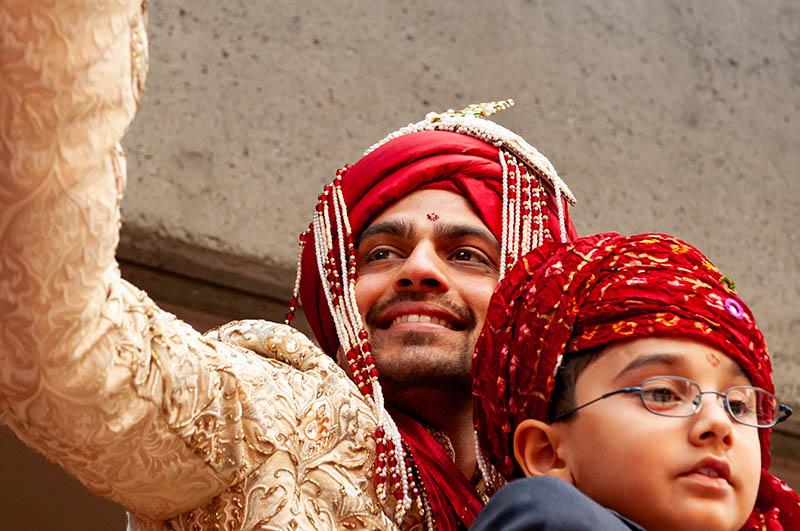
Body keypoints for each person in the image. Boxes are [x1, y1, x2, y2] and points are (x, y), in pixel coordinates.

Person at [0, 1, 576, 529]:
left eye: (467, 255)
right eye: (380, 253)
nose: (420, 270)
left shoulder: (586, 483)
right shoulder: (273, 415)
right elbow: (61, 346)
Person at [471, 232, 800, 530]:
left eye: (739, 405)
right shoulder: (550, 518)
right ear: (548, 453)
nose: (717, 423)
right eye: (661, 393)